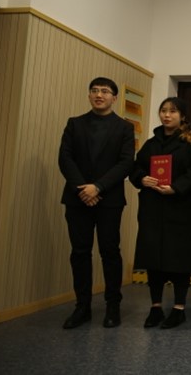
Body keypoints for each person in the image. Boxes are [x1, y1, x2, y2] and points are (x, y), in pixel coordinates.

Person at [58, 77, 135, 329]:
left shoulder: (124, 127)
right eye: (94, 90)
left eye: (104, 91)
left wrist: (98, 187)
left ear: (114, 98)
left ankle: (113, 306)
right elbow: (65, 158)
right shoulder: (75, 123)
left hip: (109, 199)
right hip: (77, 197)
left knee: (109, 252)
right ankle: (82, 307)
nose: (99, 95)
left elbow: (126, 162)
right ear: (89, 95)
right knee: (80, 252)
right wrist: (83, 188)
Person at [129, 97, 191, 329]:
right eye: (163, 111)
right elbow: (136, 167)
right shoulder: (151, 143)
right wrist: (141, 178)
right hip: (153, 208)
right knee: (153, 259)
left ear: (182, 116)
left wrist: (176, 187)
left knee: (179, 260)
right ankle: (155, 307)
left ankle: (179, 308)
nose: (167, 115)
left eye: (173, 111)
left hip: (181, 209)